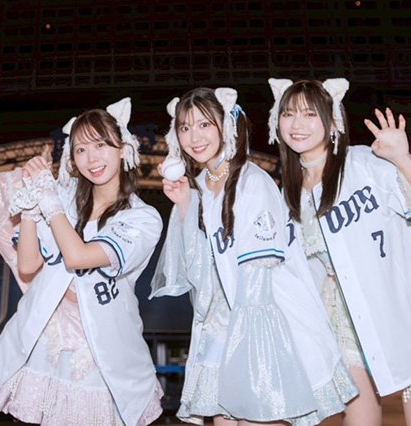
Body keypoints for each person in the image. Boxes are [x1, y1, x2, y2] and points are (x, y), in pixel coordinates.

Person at [268, 77, 411, 426]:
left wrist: (403, 161)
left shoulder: (364, 164)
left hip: (401, 307)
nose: (297, 124)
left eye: (310, 114)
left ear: (332, 122)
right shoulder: (290, 193)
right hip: (342, 319)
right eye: (288, 114)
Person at [151, 86, 355, 426]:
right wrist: (185, 205)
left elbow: (258, 280)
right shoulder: (199, 185)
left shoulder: (252, 182)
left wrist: (248, 352)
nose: (194, 137)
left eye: (204, 124)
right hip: (222, 324)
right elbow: (196, 271)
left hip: (263, 327)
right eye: (185, 127)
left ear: (226, 125)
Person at [0, 98, 164, 426]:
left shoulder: (142, 218)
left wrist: (49, 200)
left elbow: (78, 257)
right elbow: (27, 265)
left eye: (100, 145)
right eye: (81, 149)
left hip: (100, 348)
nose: (91, 158)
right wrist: (31, 206)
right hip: (48, 338)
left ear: (122, 149)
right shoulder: (65, 199)